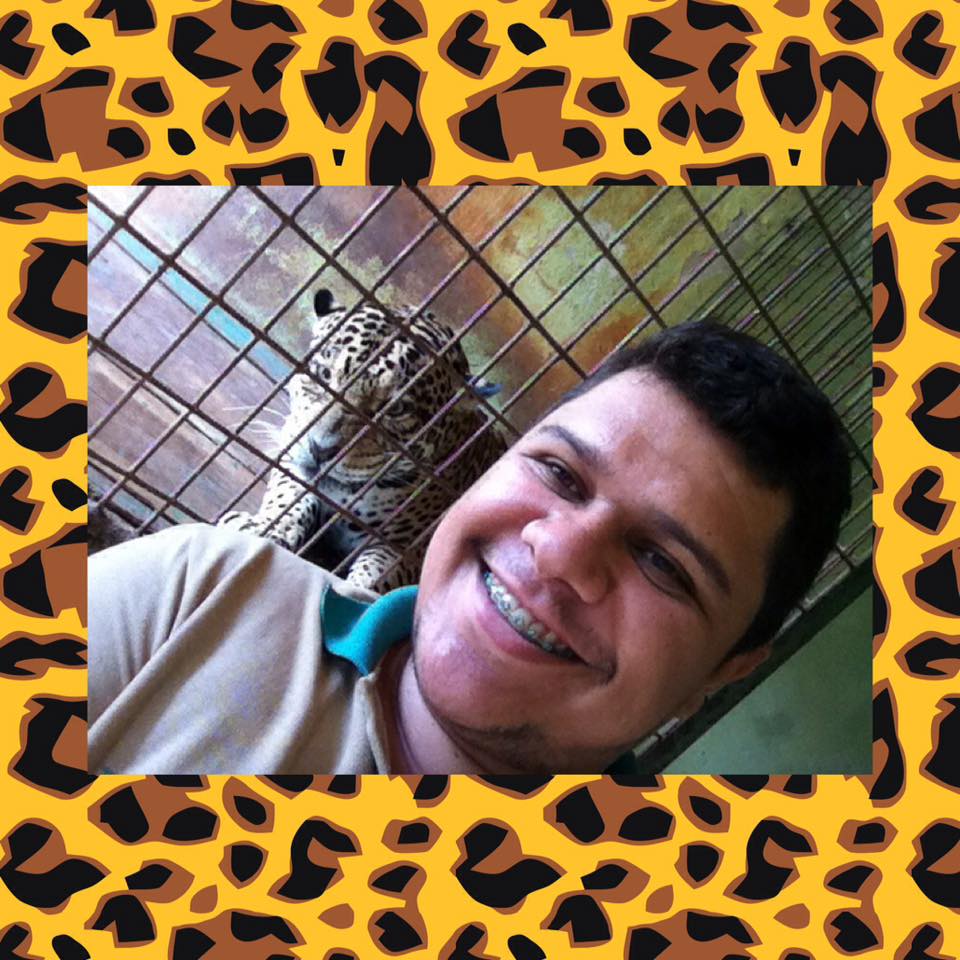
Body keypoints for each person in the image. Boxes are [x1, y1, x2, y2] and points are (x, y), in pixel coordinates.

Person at [88, 321, 851, 775]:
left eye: (663, 563)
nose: (557, 552)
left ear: (721, 673)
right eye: (558, 472)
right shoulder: (204, 588)